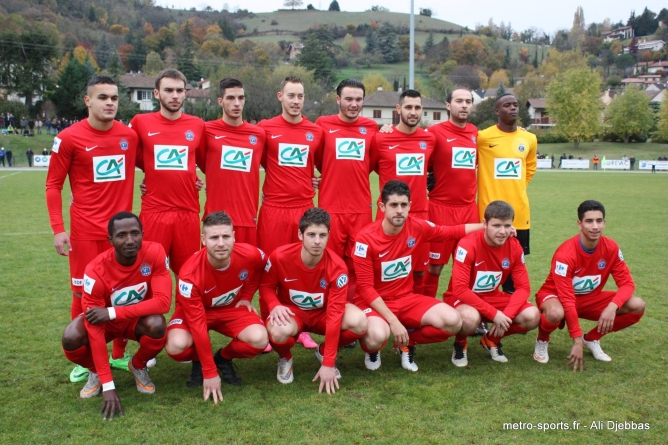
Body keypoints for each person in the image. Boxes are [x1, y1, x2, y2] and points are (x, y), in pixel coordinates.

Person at [46, 75, 139, 383]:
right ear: (88, 101)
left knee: (123, 293)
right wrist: (59, 228)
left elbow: (152, 164)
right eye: (103, 97)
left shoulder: (129, 136)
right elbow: (53, 185)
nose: (110, 102)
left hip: (122, 233)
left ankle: (118, 355)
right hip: (85, 232)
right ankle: (86, 359)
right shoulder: (69, 137)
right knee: (81, 293)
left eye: (114, 97)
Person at [352, 180, 482, 372]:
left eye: (404, 205)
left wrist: (488, 227)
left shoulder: (417, 227)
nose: (399, 210)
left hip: (406, 299)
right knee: (376, 337)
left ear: (410, 206)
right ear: (382, 206)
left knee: (453, 321)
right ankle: (374, 350)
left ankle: (407, 342)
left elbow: (451, 231)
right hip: (375, 302)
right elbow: (365, 288)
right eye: (393, 205)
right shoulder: (365, 238)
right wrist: (393, 321)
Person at [61, 212, 171, 419]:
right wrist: (108, 384)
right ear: (110, 240)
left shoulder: (155, 252)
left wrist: (112, 312)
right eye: (122, 235)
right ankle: (95, 372)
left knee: (157, 324)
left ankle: (137, 366)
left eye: (135, 233)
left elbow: (163, 302)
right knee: (71, 337)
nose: (130, 240)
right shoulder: (95, 270)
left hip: (132, 320)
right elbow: (94, 328)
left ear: (142, 234)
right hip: (105, 325)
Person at [260, 208, 367, 393]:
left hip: (322, 314)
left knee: (360, 322)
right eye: (311, 234)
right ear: (300, 234)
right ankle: (285, 358)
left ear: (328, 236)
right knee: (277, 332)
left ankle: (323, 351)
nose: (317, 241)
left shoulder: (337, 267)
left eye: (322, 235)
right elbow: (266, 287)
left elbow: (334, 315)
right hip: (293, 313)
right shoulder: (280, 256)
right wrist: (274, 305)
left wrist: (328, 362)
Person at [165, 211, 267, 401]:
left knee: (260, 339)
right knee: (175, 346)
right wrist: (209, 372)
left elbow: (263, 266)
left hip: (230, 309)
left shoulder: (249, 253)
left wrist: (246, 295)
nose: (221, 243)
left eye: (226, 236)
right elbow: (197, 324)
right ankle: (198, 360)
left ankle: (223, 357)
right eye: (214, 237)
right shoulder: (189, 274)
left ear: (234, 237)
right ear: (203, 240)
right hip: (196, 311)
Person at [533, 200, 645, 370]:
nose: (595, 226)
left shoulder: (611, 247)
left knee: (637, 305)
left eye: (599, 221)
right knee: (556, 313)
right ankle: (542, 339)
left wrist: (612, 307)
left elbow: (627, 284)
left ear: (604, 223)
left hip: (589, 299)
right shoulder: (565, 254)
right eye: (589, 221)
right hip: (557, 297)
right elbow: (567, 298)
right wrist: (575, 338)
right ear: (580, 224)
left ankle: (591, 338)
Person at [256, 76, 324, 349]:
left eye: (301, 96)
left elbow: (320, 165)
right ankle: (266, 323)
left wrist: (313, 178)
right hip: (273, 208)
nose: (296, 101)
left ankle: (300, 326)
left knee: (302, 266)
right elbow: (256, 161)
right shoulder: (265, 128)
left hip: (303, 209)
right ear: (280, 96)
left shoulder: (315, 131)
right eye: (291, 95)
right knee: (270, 267)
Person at [443, 201, 539, 366]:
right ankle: (460, 344)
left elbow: (523, 288)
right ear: (485, 224)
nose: (502, 232)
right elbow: (460, 289)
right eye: (496, 225)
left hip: (492, 296)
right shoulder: (468, 244)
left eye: (507, 226)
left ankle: (492, 340)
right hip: (462, 298)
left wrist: (506, 314)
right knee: (469, 319)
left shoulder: (514, 246)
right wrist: (494, 314)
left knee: (533, 317)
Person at [130, 69, 205, 278]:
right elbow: (124, 154)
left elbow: (202, 162)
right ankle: (149, 312)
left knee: (189, 275)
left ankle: (185, 312)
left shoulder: (197, 125)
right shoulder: (140, 122)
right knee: (148, 273)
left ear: (185, 93)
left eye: (179, 90)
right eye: (169, 90)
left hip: (187, 212)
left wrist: (192, 178)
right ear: (156, 93)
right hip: (155, 212)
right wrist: (151, 175)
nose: (175, 95)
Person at [314, 78, 378, 300]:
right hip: (331, 208)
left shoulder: (371, 127)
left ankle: (354, 315)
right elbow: (316, 158)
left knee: (357, 265)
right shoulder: (323, 124)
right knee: (328, 263)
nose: (354, 104)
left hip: (360, 209)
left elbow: (372, 163)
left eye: (359, 99)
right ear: (338, 99)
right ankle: (326, 313)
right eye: (348, 99)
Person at [371, 90, 435, 295]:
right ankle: (381, 316)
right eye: (408, 107)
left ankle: (419, 318)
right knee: (385, 270)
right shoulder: (381, 139)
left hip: (419, 213)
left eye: (417, 107)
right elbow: (369, 166)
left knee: (419, 272)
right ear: (398, 109)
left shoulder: (429, 139)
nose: (413, 112)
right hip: (389, 215)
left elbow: (433, 168)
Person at [421, 87, 479, 298]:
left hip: (469, 209)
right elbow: (418, 158)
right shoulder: (435, 133)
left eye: (468, 101)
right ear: (448, 105)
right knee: (435, 267)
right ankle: (425, 309)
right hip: (440, 209)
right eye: (459, 101)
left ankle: (456, 305)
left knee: (467, 265)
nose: (464, 105)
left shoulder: (475, 133)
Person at [476, 93, 536, 294]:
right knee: (485, 266)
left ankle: (512, 311)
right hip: (488, 213)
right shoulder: (483, 137)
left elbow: (530, 168)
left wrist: (516, 186)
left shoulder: (529, 138)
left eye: (516, 105)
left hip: (519, 214)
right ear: (497, 111)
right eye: (507, 105)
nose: (513, 108)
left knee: (513, 266)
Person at [202, 78, 266, 246]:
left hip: (247, 218)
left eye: (241, 98)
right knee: (213, 270)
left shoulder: (259, 135)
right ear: (220, 101)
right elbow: (194, 160)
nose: (237, 103)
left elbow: (274, 164)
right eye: (231, 98)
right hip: (216, 220)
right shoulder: (207, 131)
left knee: (247, 271)